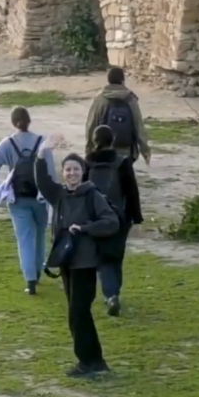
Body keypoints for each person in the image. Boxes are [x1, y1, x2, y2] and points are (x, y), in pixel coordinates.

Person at [35, 132, 120, 378]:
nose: (71, 173)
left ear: (83, 172)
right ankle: (94, 362)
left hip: (85, 263)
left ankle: (89, 363)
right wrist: (42, 153)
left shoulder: (92, 195)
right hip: (67, 263)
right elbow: (42, 181)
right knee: (77, 314)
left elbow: (111, 221)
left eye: (75, 169)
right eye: (68, 170)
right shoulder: (60, 195)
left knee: (78, 313)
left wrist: (84, 228)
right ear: (64, 173)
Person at [0, 106, 57, 296]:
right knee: (40, 234)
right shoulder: (41, 142)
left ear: (13, 122)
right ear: (29, 120)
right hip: (39, 197)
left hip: (18, 199)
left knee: (24, 239)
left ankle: (30, 281)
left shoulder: (7, 143)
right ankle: (38, 271)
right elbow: (51, 173)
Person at [84, 125, 143, 317]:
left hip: (95, 218)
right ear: (113, 140)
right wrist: (135, 216)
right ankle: (113, 293)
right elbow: (132, 192)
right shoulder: (122, 163)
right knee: (116, 255)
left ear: (94, 141)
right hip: (119, 217)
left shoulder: (87, 163)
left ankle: (111, 294)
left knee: (102, 258)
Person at [84, 67, 151, 165]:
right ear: (123, 81)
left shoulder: (100, 99)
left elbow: (91, 125)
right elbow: (138, 126)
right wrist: (145, 150)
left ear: (108, 80)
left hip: (103, 148)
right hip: (126, 149)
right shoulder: (130, 99)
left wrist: (89, 149)